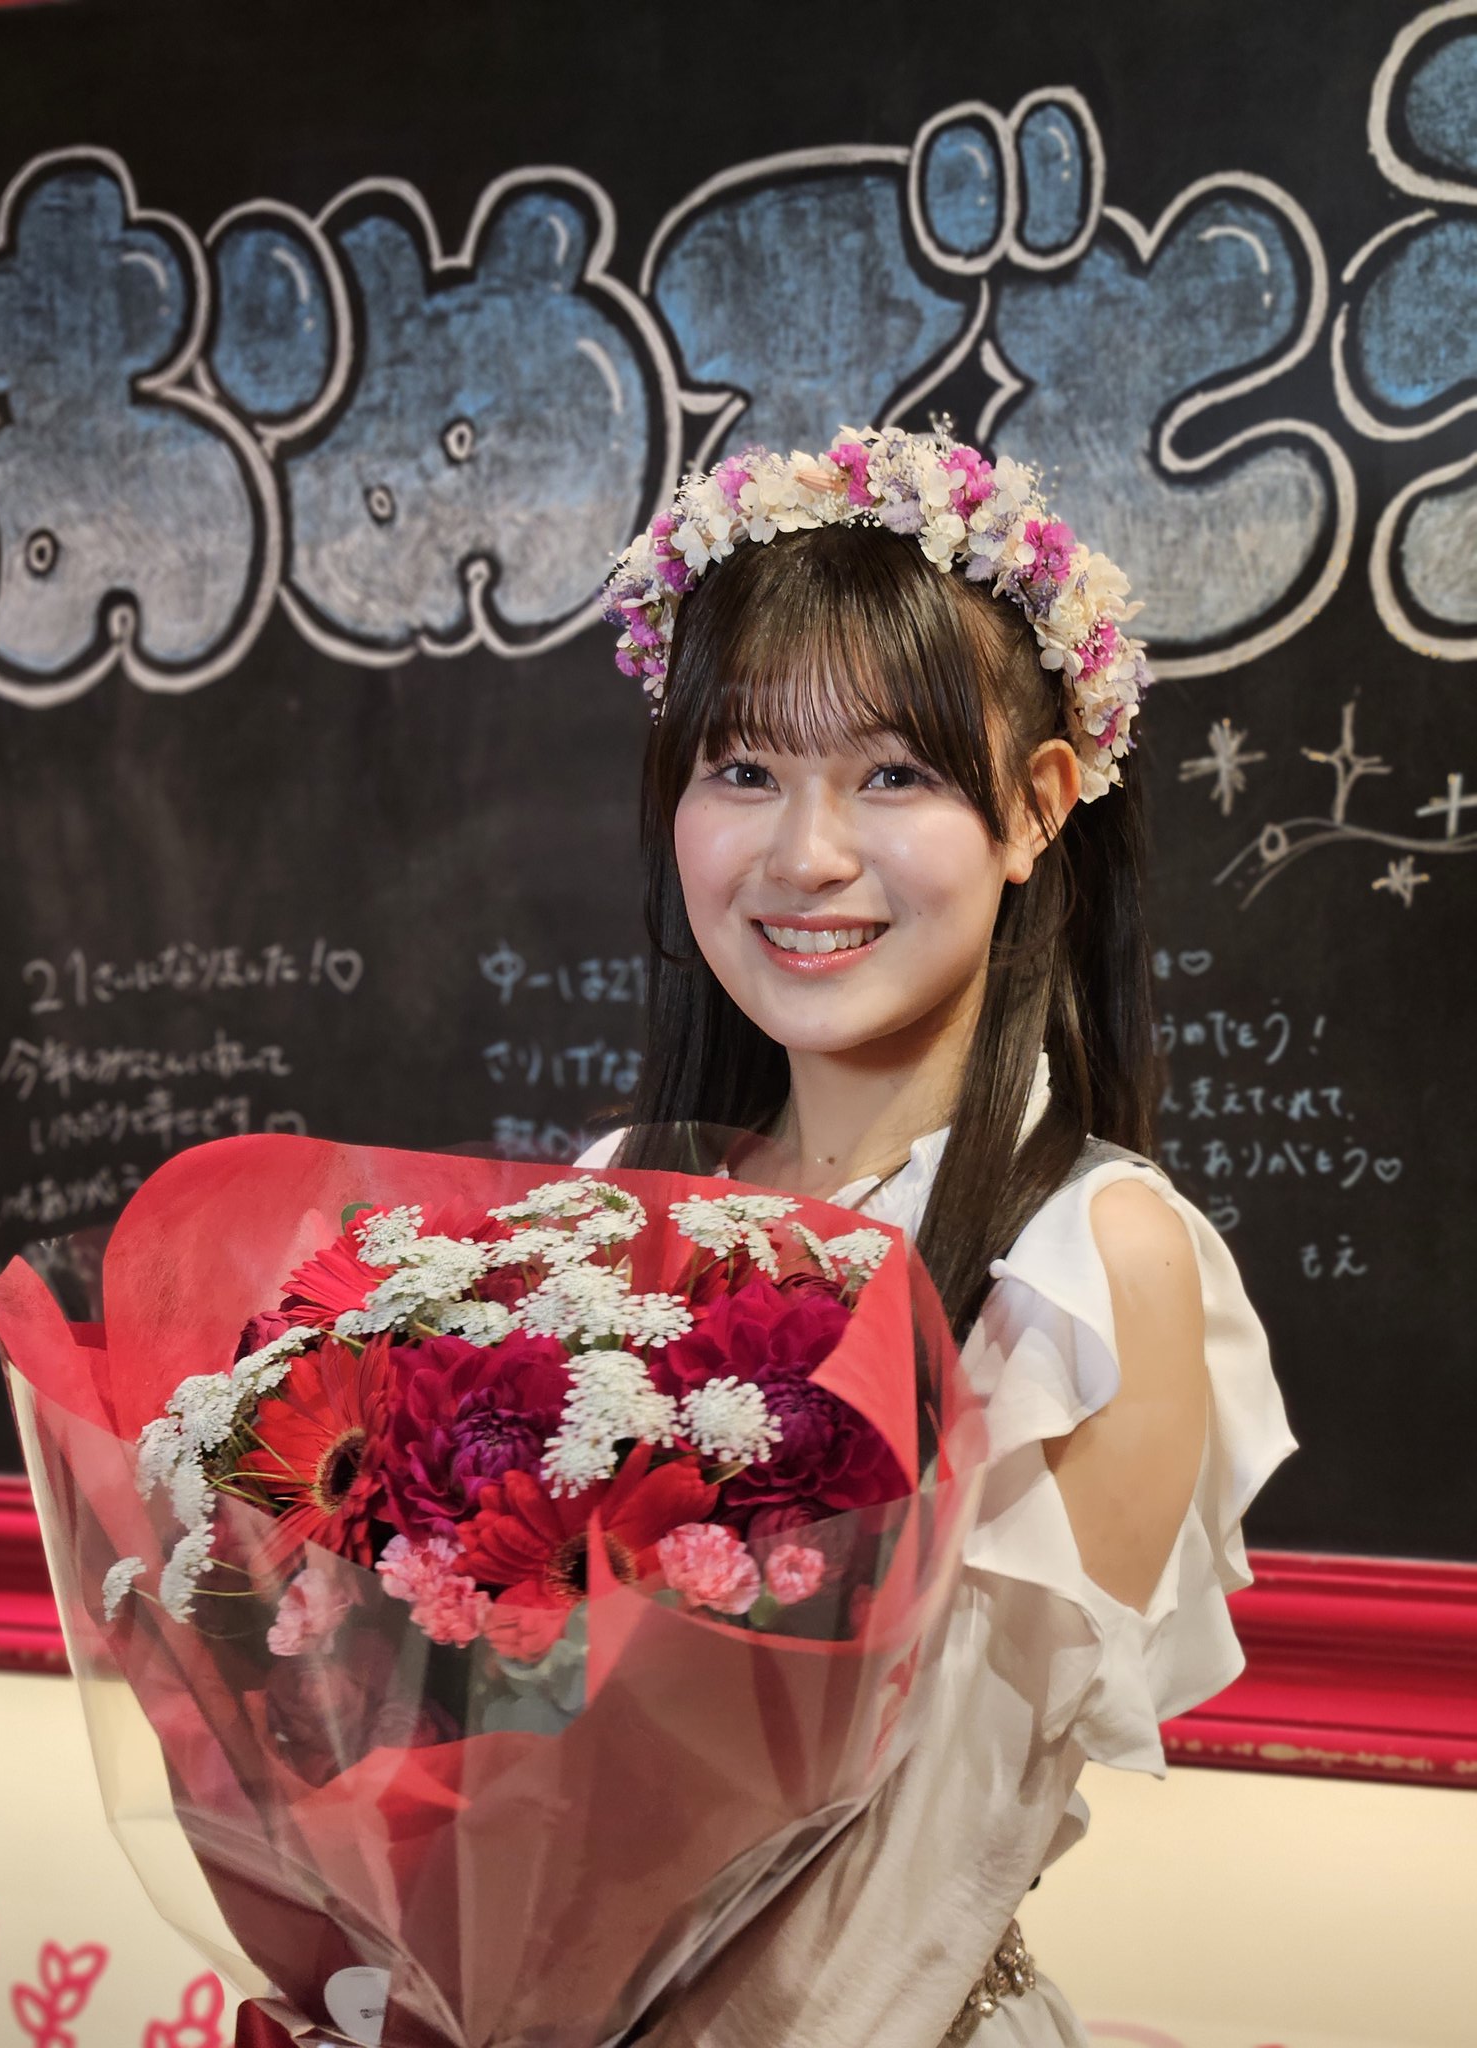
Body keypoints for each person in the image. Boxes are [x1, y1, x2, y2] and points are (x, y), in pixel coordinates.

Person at [573, 425, 1297, 2045]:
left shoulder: (1087, 1268)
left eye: (892, 774)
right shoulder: (615, 1192)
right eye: (742, 770)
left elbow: (922, 1890)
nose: (804, 855)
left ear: (1037, 807)